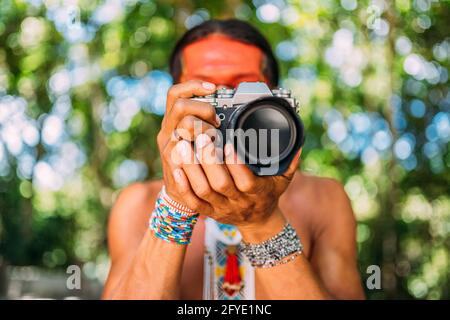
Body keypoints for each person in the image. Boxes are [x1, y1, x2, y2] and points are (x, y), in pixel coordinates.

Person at [102, 19, 365, 300]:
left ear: (275, 99)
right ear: (175, 101)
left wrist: (261, 221)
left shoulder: (322, 199)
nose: (223, 108)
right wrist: (175, 204)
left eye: (240, 90)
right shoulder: (138, 205)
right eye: (205, 91)